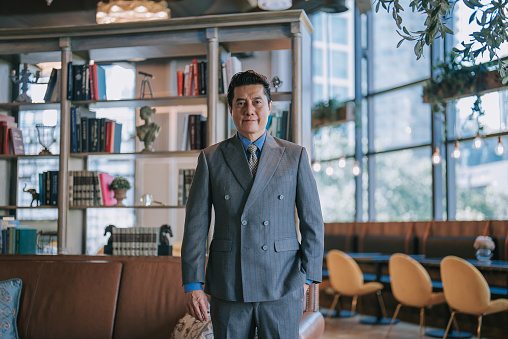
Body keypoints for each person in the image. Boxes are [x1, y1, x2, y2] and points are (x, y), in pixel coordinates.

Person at [181, 70, 324, 338]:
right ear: (231, 110)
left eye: (257, 102)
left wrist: (307, 278)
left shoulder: (294, 156)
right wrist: (192, 284)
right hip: (229, 284)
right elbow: (196, 226)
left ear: (269, 107)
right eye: (241, 103)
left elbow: (313, 222)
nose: (250, 110)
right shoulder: (211, 158)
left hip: (282, 283)